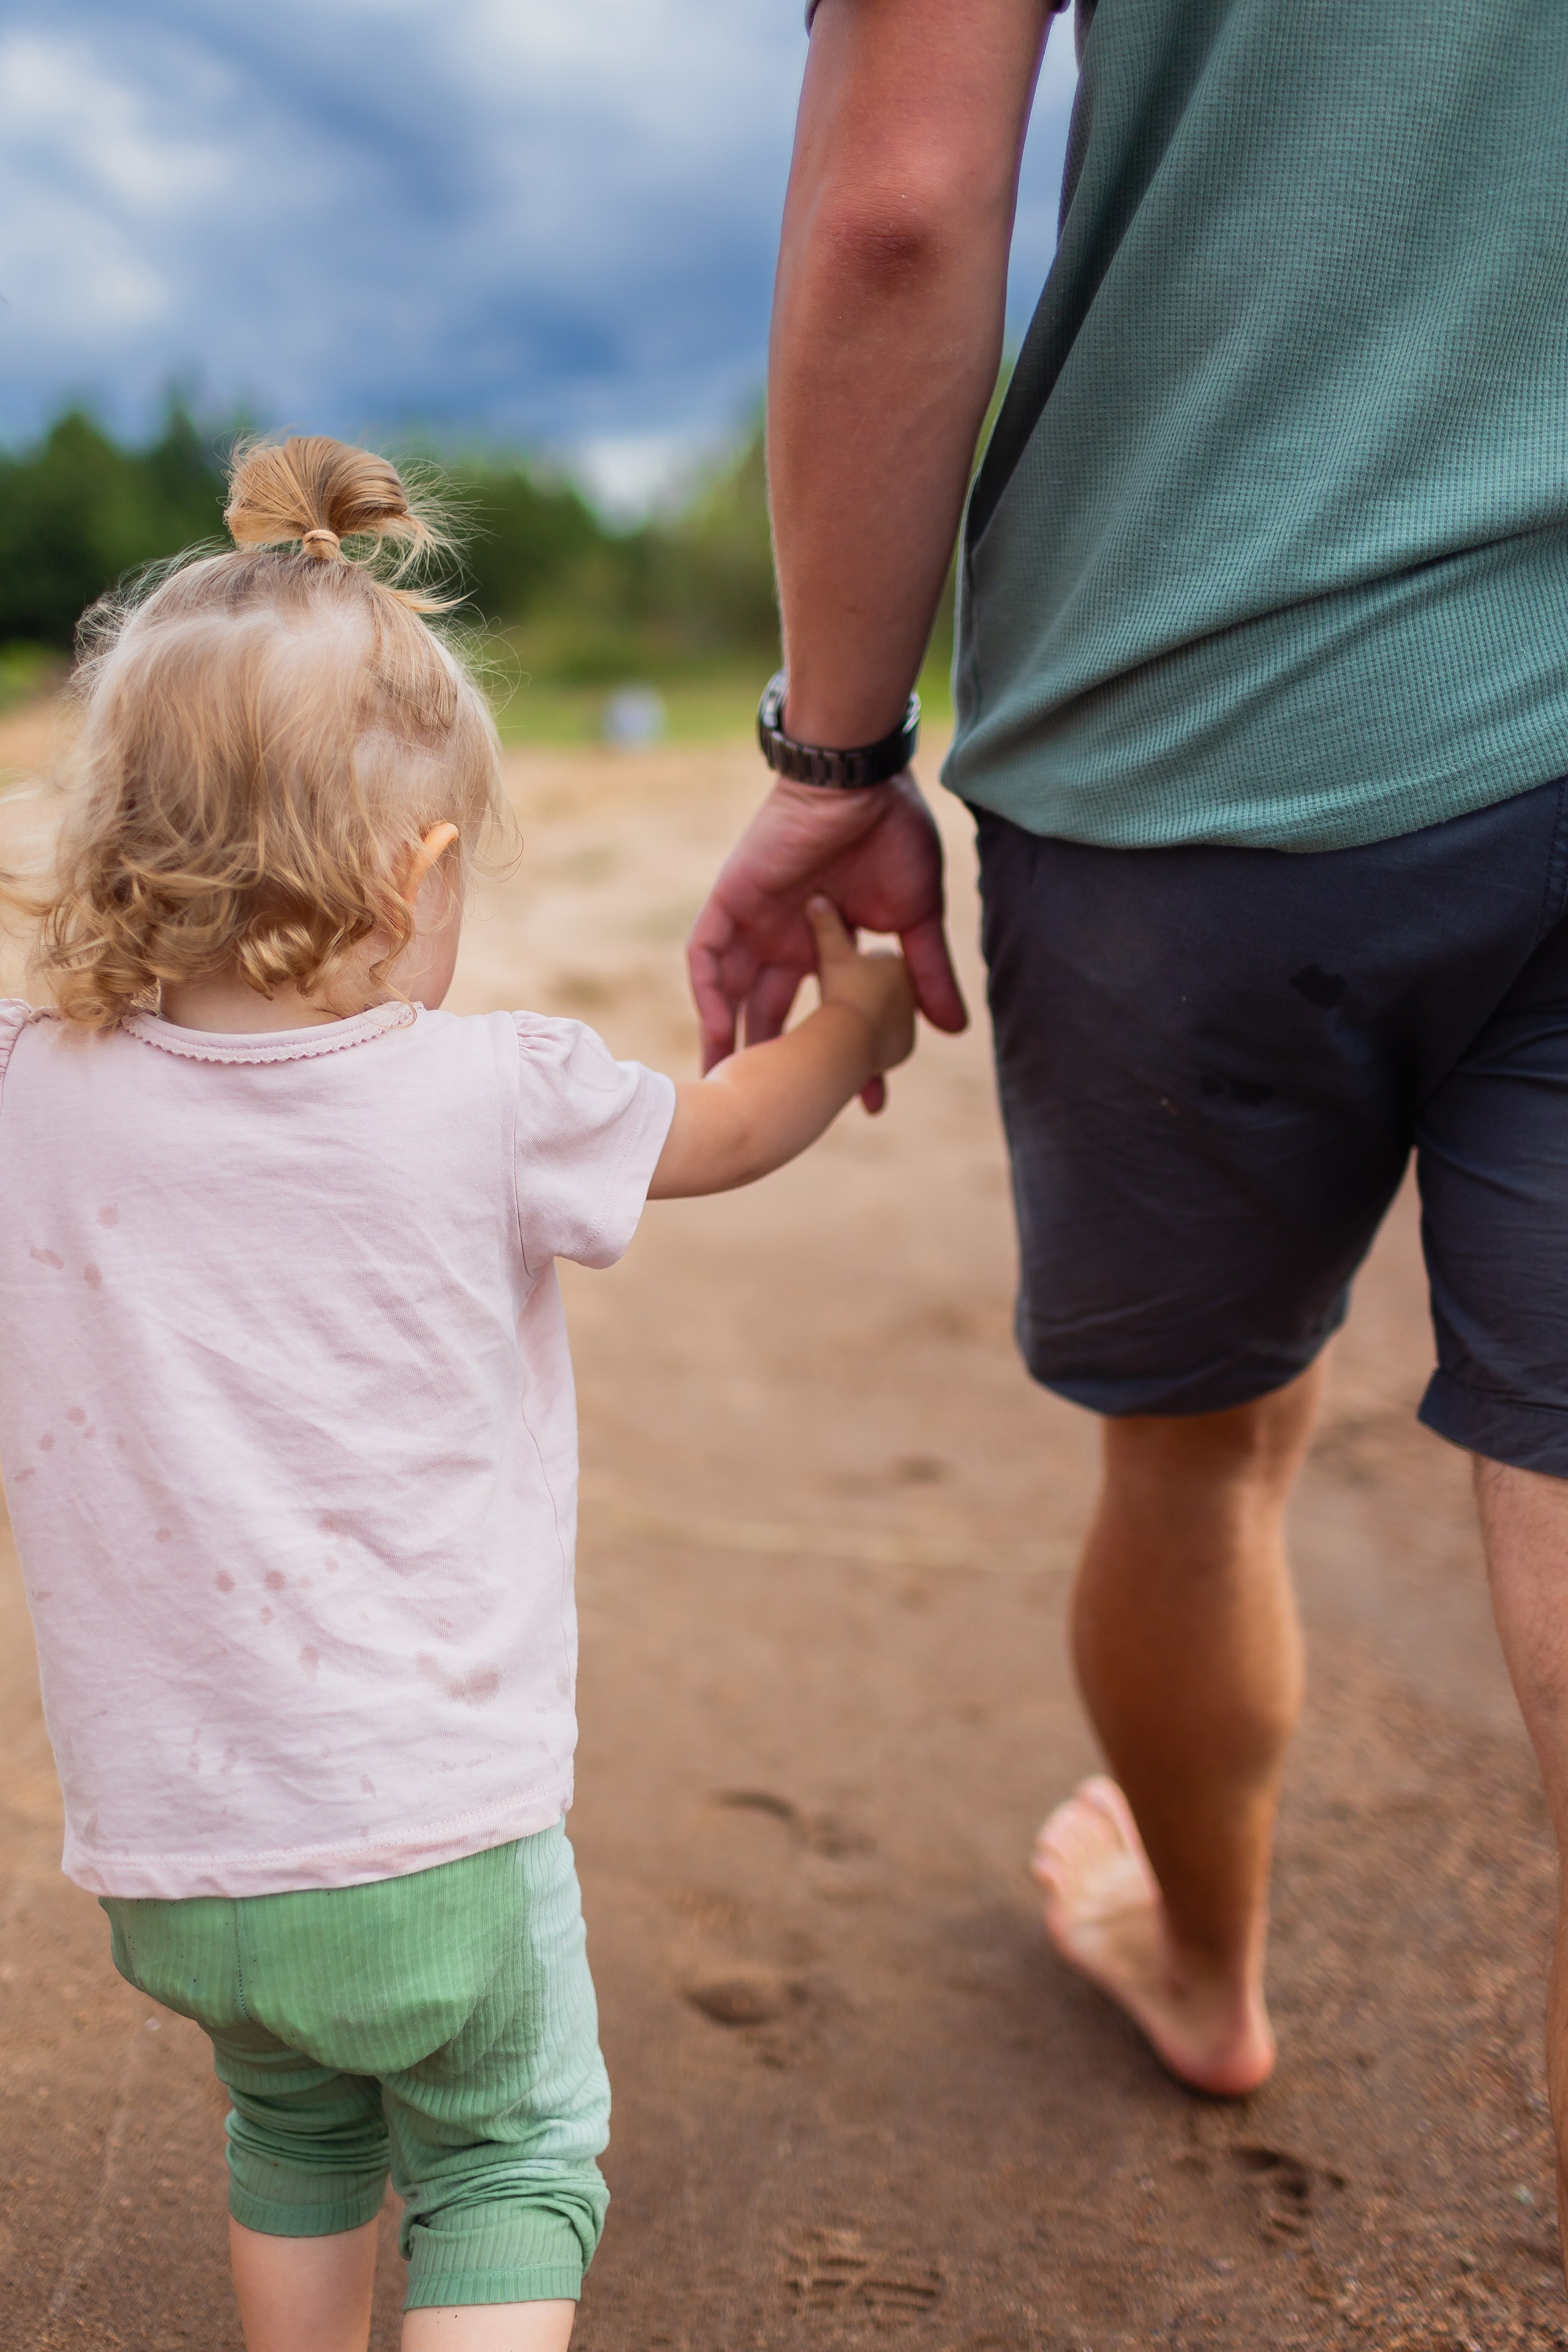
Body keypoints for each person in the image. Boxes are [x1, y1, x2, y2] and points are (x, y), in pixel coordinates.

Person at [688, 0, 1568, 2198]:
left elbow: (900, 208)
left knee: (1202, 1455)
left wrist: (837, 754)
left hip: (1202, 723)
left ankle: (1208, 1963)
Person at [1, 435, 914, 2352]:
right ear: (418, 870)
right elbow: (733, 1132)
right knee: (511, 2165)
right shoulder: (488, 1089)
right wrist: (853, 1020)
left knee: (296, 2130)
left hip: (176, 1855)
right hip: (438, 1833)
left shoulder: (36, 1090)